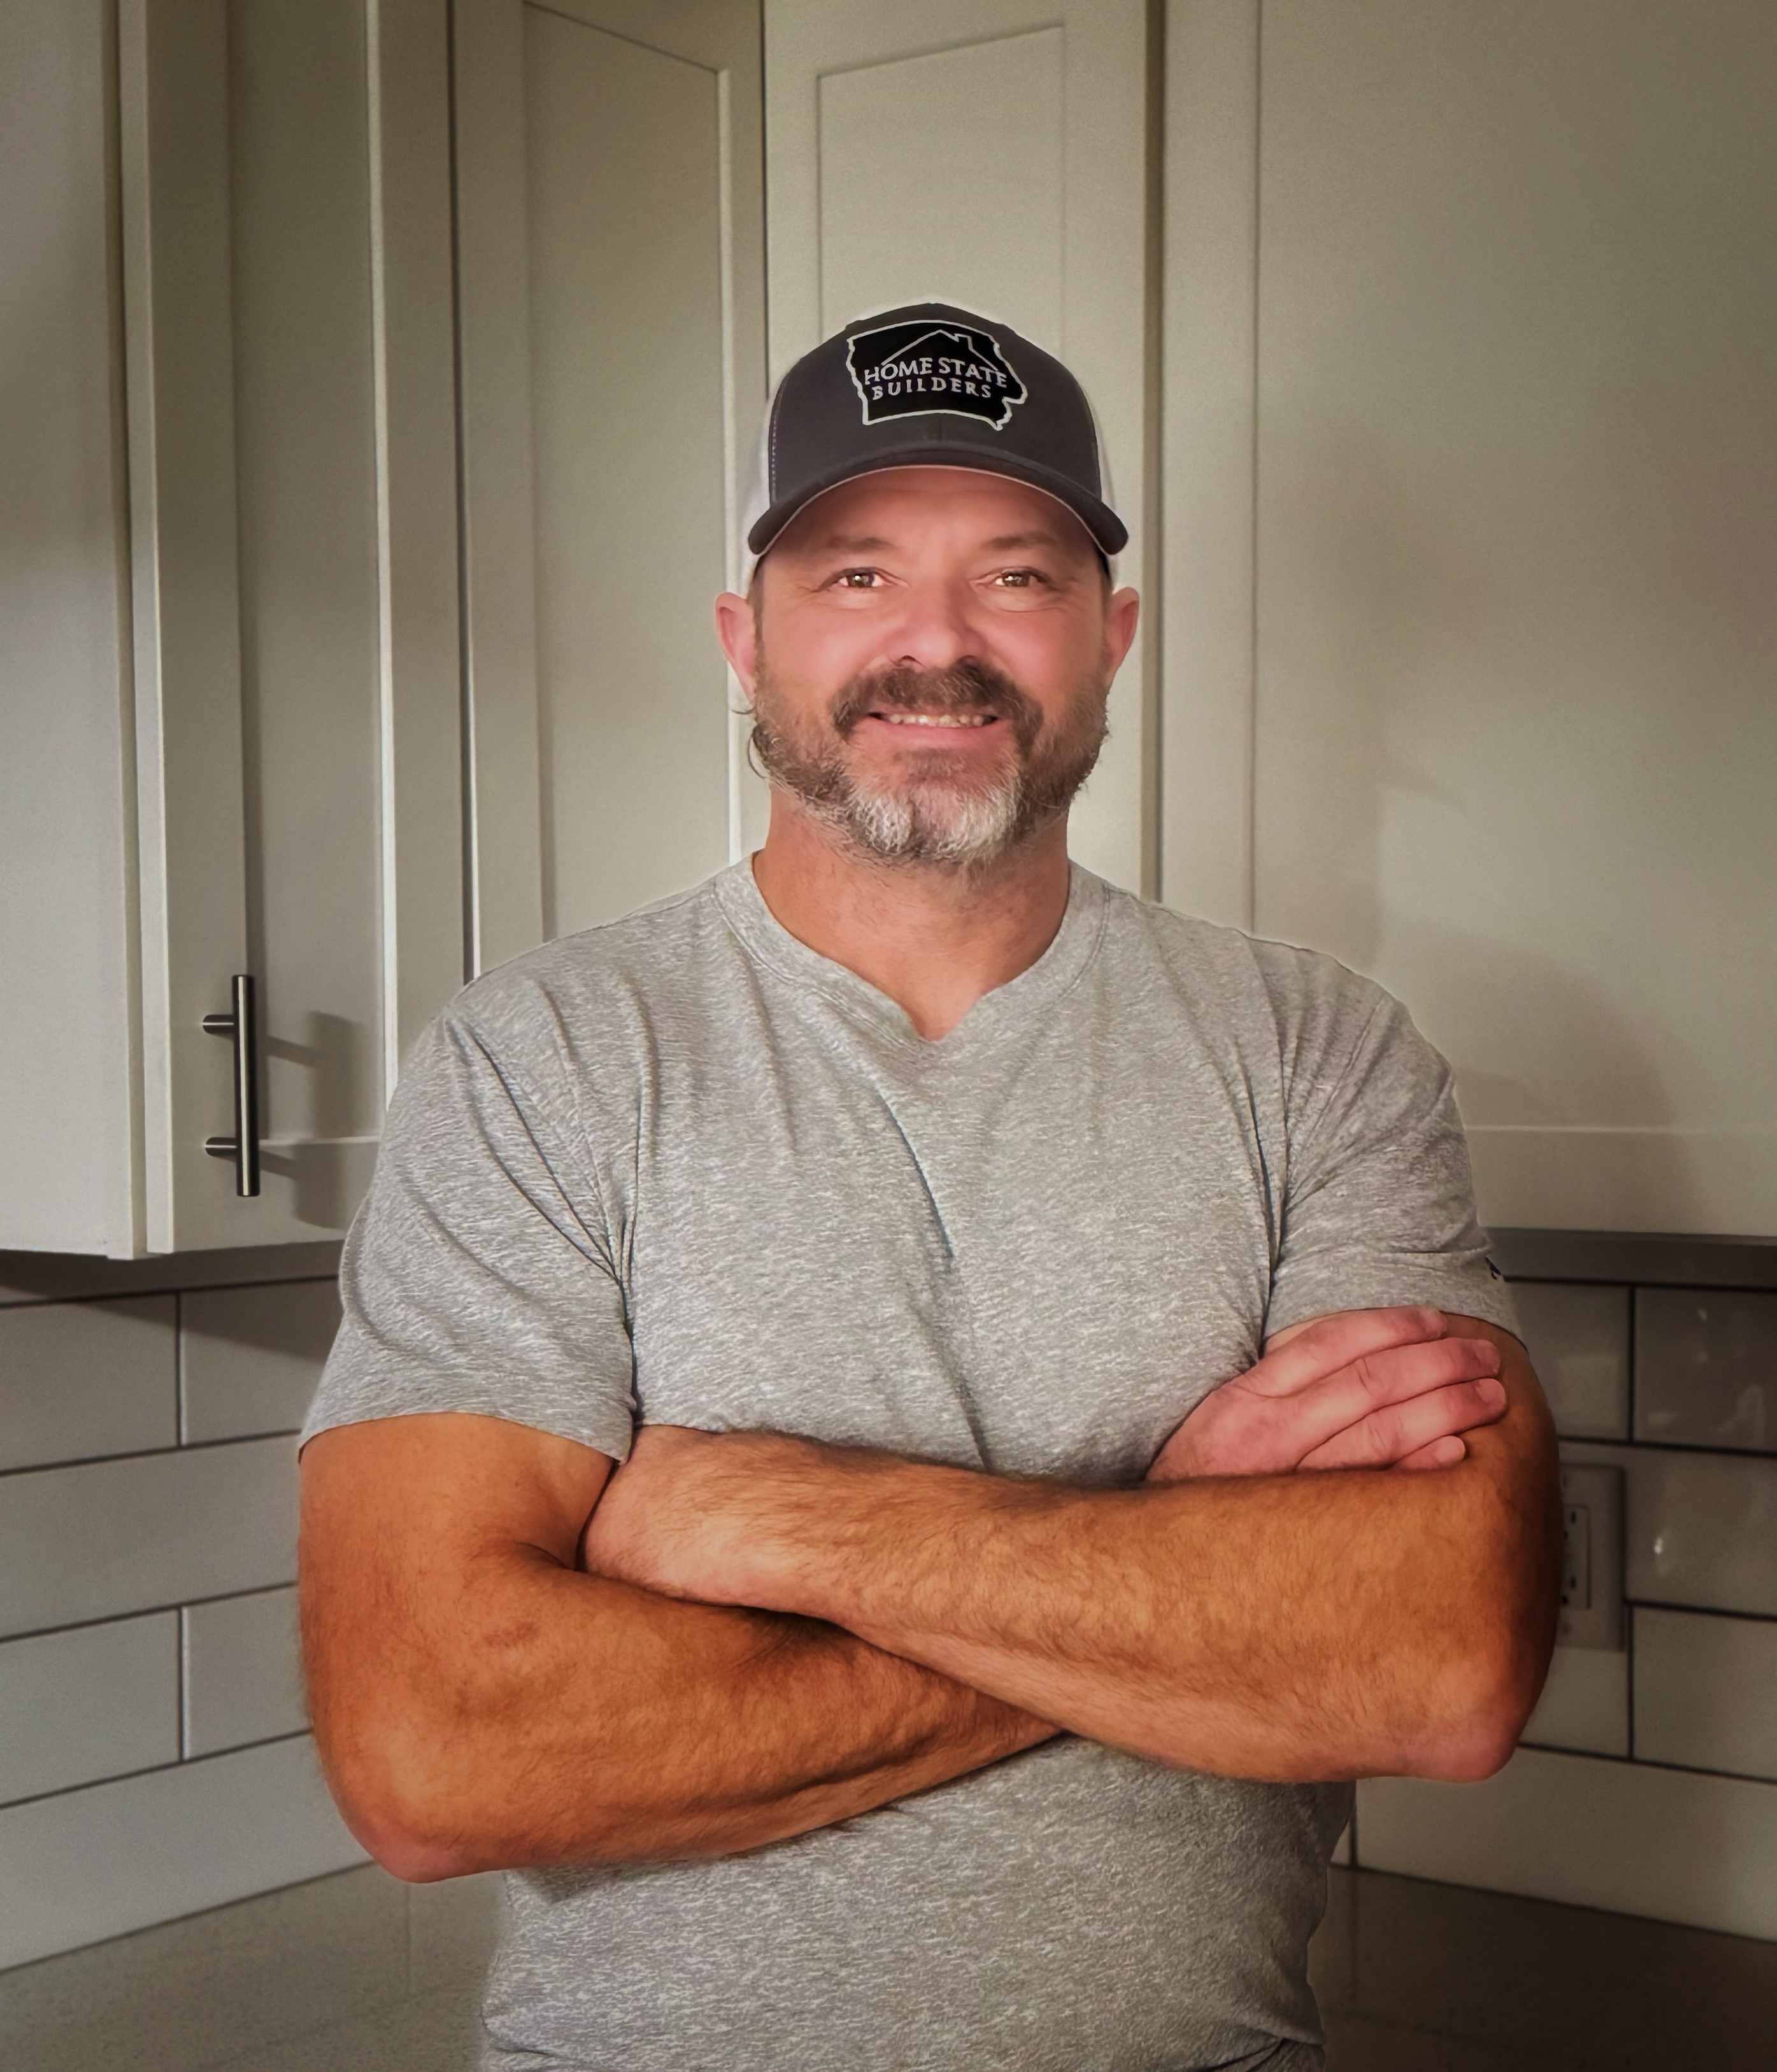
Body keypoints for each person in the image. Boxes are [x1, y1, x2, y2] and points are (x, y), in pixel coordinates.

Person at [299, 302, 1560, 2072]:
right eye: (859, 575)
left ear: (1113, 637)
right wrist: (1172, 1525)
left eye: (1019, 576)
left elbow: (1440, 1657)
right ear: (747, 640)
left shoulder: (1318, 1054)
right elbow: (436, 1749)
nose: (939, 646)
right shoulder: (542, 1060)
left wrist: (761, 1518)